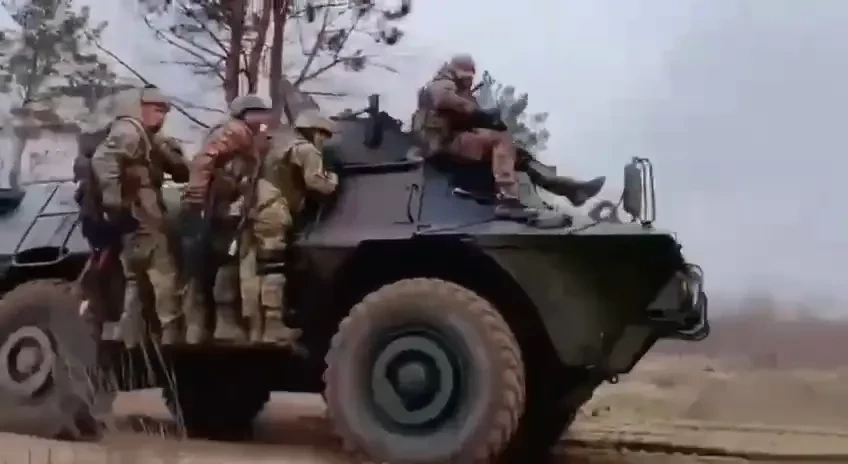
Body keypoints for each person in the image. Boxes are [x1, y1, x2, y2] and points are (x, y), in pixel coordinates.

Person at [412, 53, 606, 217]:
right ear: (456, 72)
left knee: (516, 152)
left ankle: (570, 189)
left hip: (453, 142)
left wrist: (490, 121)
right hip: (441, 145)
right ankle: (508, 200)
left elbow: (465, 116)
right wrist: (481, 114)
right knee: (501, 140)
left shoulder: (459, 90)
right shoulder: (441, 83)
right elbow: (443, 99)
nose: (469, 82)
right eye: (466, 77)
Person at [90, 85, 189, 347]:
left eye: (164, 111)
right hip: (141, 216)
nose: (161, 116)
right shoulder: (129, 131)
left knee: (136, 279)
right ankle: (170, 333)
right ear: (140, 108)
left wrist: (165, 150)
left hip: (137, 216)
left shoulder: (147, 137)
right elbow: (103, 160)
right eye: (156, 110)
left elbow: (182, 173)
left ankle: (130, 338)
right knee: (163, 273)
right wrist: (114, 201)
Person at [180, 94, 275, 344]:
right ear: (245, 114)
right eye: (257, 113)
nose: (263, 118)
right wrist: (198, 194)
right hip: (219, 205)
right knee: (224, 260)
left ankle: (200, 327)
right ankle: (220, 324)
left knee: (209, 263)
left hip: (224, 203)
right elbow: (204, 159)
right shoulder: (234, 131)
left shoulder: (245, 133)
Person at [243, 109, 338, 347]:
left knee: (254, 269)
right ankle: (273, 327)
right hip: (274, 210)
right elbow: (317, 183)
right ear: (316, 132)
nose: (324, 141)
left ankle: (254, 329)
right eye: (323, 135)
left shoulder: (275, 145)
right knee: (273, 269)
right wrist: (333, 179)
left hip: (254, 208)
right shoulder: (306, 150)